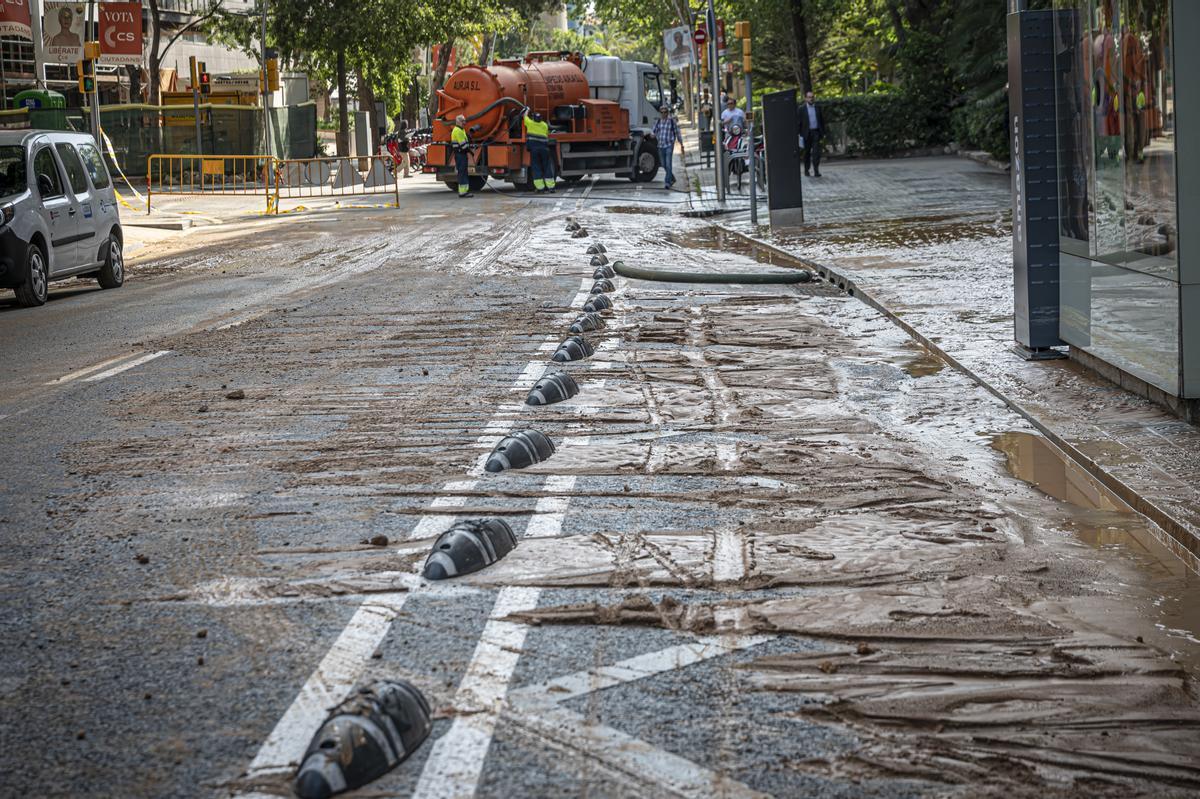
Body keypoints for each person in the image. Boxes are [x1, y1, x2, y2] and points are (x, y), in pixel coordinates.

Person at [652, 104, 684, 190]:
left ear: (667, 112)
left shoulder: (671, 121)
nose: (663, 114)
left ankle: (667, 182)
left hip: (669, 145)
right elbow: (654, 131)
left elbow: (677, 132)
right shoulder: (658, 121)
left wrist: (681, 143)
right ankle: (672, 178)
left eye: (665, 112)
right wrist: (652, 135)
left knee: (668, 164)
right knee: (663, 164)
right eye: (662, 112)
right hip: (660, 145)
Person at [523, 110, 556, 193]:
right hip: (544, 149)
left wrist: (527, 110)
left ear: (533, 118)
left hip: (534, 150)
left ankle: (540, 188)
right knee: (547, 167)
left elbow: (524, 117)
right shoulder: (544, 125)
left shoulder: (530, 123)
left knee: (536, 168)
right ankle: (551, 187)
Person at [798, 90, 825, 177]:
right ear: (805, 98)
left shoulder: (817, 107)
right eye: (809, 97)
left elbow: (821, 121)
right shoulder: (801, 109)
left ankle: (816, 170)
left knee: (816, 152)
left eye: (812, 97)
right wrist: (799, 134)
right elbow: (799, 123)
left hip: (816, 132)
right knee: (807, 152)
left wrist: (823, 132)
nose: (811, 99)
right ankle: (806, 170)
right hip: (806, 133)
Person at [450, 114, 473, 198]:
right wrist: (469, 150)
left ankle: (464, 191)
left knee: (463, 172)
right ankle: (463, 192)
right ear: (458, 121)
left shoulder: (461, 130)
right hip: (460, 154)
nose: (465, 122)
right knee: (462, 172)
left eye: (465, 120)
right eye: (463, 121)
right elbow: (463, 146)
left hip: (461, 154)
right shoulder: (458, 131)